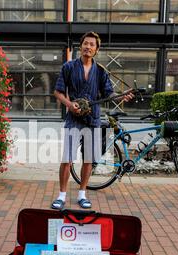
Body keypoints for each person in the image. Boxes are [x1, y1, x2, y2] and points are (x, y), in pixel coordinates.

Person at [51, 31, 134, 210]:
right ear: (80, 46)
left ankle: (82, 194)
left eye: (92, 45)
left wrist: (121, 97)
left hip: (93, 119)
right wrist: (68, 104)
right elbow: (57, 91)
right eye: (85, 43)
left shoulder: (101, 71)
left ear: (96, 50)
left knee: (88, 160)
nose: (88, 47)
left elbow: (109, 94)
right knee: (67, 159)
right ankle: (62, 195)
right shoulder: (68, 67)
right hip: (73, 119)